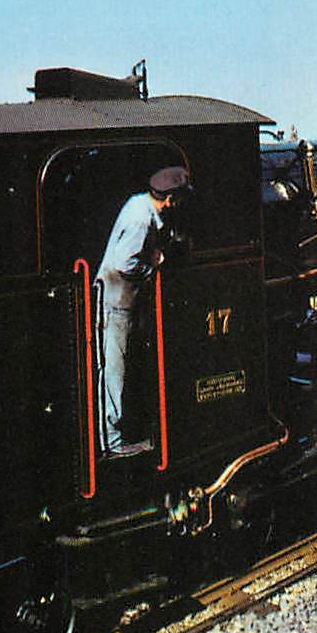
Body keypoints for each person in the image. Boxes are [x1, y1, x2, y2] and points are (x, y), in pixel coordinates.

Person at [96, 165, 191, 458]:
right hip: (116, 303)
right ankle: (111, 444)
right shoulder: (140, 219)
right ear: (171, 199)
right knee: (114, 372)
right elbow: (125, 264)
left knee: (119, 370)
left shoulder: (140, 203)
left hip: (122, 302)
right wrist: (155, 265)